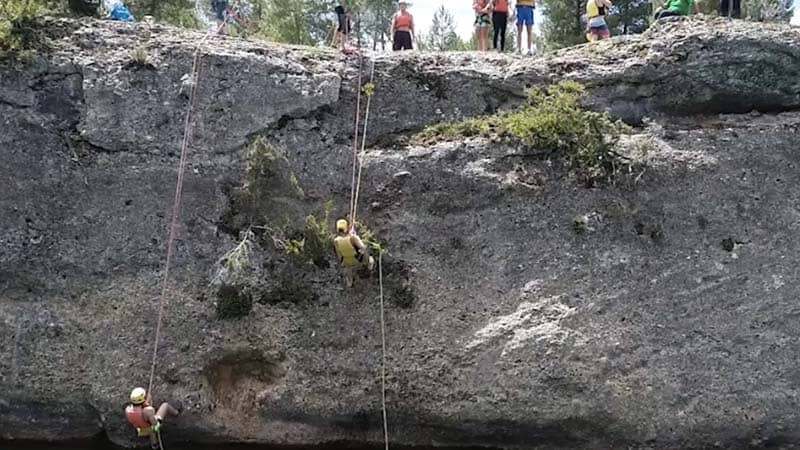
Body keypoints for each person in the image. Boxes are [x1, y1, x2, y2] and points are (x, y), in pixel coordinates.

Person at [333, 219, 375, 287]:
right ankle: (369, 263)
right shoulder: (352, 238)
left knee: (347, 266)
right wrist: (356, 237)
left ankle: (349, 280)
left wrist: (342, 262)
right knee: (367, 250)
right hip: (358, 260)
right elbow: (363, 247)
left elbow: (339, 254)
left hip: (347, 262)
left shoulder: (336, 241)